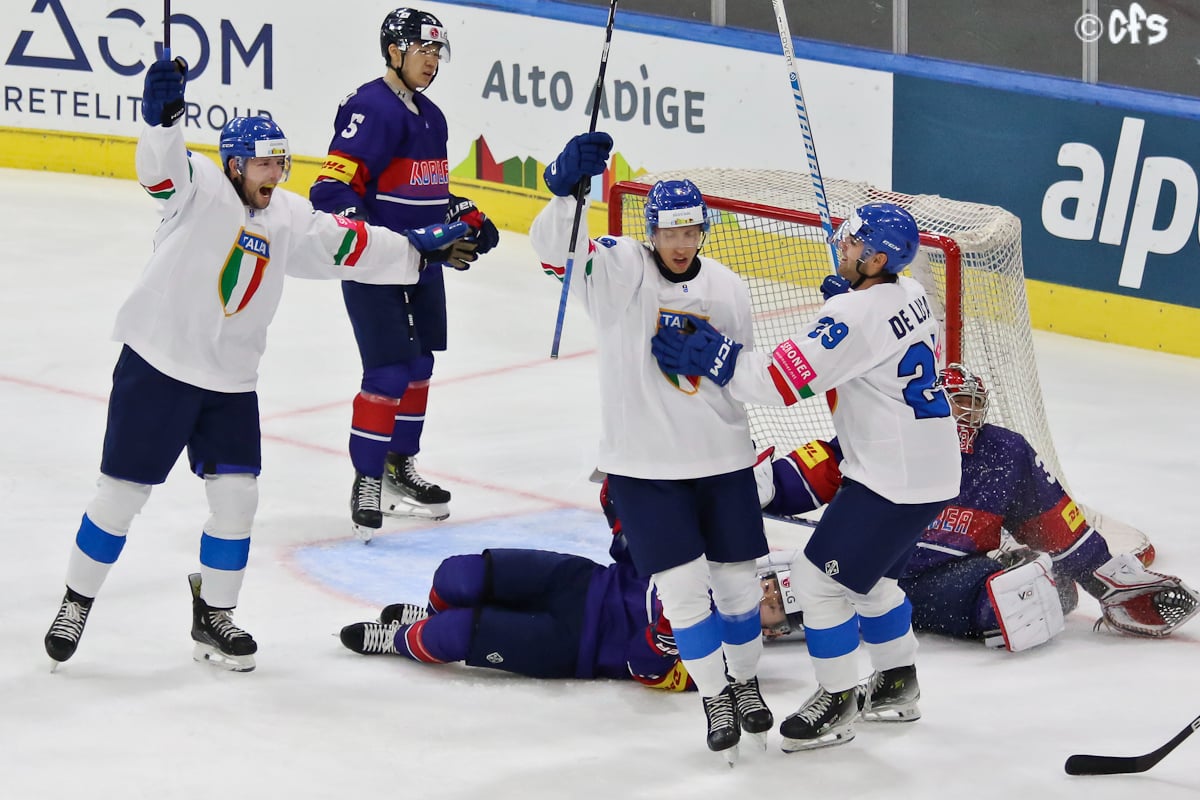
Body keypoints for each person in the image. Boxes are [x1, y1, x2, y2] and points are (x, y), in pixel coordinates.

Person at [42, 56, 477, 673]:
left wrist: (419, 249)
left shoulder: (288, 216)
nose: (274, 173)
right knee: (119, 499)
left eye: (281, 163)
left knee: (238, 502)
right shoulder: (198, 190)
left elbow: (348, 244)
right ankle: (75, 601)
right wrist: (161, 121)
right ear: (235, 164)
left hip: (230, 385)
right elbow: (159, 171)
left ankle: (215, 615)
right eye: (264, 163)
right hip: (158, 368)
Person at [652, 203, 961, 751]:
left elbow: (776, 383)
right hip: (932, 469)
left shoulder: (856, 316)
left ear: (878, 258)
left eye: (852, 246)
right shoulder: (909, 292)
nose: (841, 250)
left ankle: (836, 700)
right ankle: (895, 683)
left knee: (818, 581)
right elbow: (871, 329)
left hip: (890, 478)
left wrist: (714, 354)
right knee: (876, 584)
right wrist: (845, 305)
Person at [528, 132, 772, 761]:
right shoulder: (616, 270)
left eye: (692, 232)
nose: (682, 244)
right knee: (685, 592)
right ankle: (715, 694)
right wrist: (562, 192)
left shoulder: (728, 287)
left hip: (722, 460)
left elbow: (745, 370)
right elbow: (557, 248)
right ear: (652, 230)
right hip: (644, 469)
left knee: (741, 588)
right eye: (671, 232)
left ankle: (745, 684)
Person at [759, 363, 1200, 650]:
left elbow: (1055, 522)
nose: (962, 417)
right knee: (765, 599)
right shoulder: (887, 433)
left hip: (939, 581)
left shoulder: (1004, 454)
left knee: (1008, 602)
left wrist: (1106, 579)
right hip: (861, 565)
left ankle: (1032, 583)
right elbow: (802, 477)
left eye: (971, 405)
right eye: (954, 405)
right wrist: (756, 485)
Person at [310, 8, 500, 538]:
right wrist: (380, 244)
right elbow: (330, 193)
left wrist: (461, 216)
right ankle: (367, 478)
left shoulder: (431, 116)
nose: (432, 61)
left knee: (419, 367)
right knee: (389, 373)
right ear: (394, 51)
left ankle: (398, 468)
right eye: (423, 50)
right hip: (377, 266)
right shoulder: (370, 109)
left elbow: (425, 195)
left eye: (437, 52)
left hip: (423, 265)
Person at [339, 482, 797, 695]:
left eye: (777, 607)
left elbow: (647, 672)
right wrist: (624, 505)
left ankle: (399, 640)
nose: (768, 597)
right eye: (773, 586)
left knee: (452, 636)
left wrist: (665, 632)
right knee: (456, 576)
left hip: (572, 646)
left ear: (775, 632)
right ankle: (428, 613)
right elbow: (636, 548)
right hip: (578, 583)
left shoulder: (728, 657)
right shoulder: (712, 564)